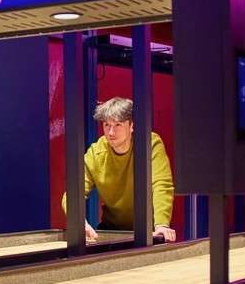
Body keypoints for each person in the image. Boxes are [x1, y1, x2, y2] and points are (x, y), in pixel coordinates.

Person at [62, 96, 176, 243]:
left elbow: (161, 184)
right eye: (106, 125)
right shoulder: (96, 153)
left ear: (132, 125)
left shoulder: (149, 143)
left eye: (118, 125)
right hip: (112, 231)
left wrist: (161, 224)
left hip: (149, 230)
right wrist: (79, 223)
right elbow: (72, 194)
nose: (110, 132)